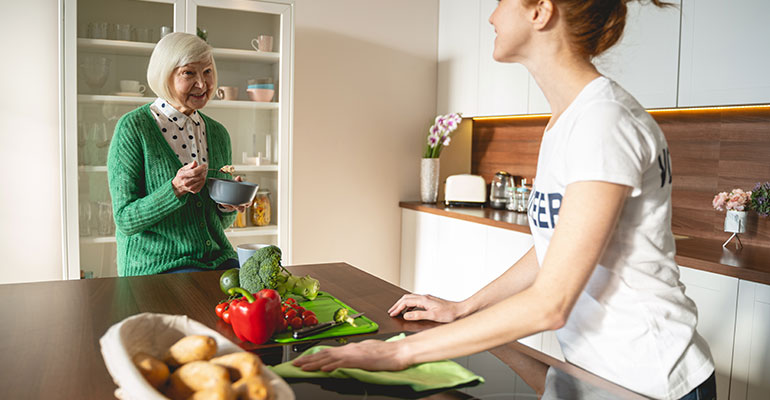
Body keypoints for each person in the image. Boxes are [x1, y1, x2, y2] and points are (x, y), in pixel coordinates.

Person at [293, 1, 716, 398]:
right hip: (597, 373)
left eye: (501, 0)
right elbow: (555, 248)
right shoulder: (567, 121)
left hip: (654, 379)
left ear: (540, 10)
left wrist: (396, 352)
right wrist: (463, 308)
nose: (492, 16)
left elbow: (550, 305)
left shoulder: (603, 121)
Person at [107, 33, 248, 276]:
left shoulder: (217, 133)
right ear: (165, 75)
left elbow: (217, 224)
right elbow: (125, 220)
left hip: (216, 259)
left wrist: (227, 206)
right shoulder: (134, 128)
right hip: (156, 266)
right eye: (189, 73)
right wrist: (174, 189)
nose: (203, 84)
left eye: (207, 72)